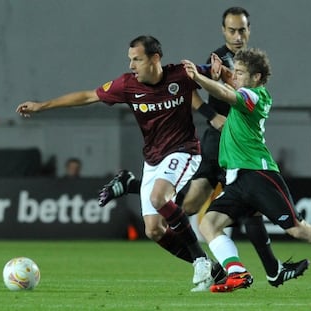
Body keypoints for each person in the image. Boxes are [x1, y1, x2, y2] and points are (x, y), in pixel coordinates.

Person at [99, 7, 309, 289]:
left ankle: (273, 270)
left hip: (238, 144)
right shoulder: (219, 59)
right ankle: (137, 186)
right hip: (217, 139)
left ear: (249, 30)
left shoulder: (248, 61)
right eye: (232, 30)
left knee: (239, 207)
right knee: (192, 203)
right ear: (224, 31)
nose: (237, 35)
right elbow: (189, 91)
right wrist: (213, 116)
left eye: (242, 30)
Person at [16, 35, 226, 291]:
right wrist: (42, 106)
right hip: (153, 158)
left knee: (160, 198)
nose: (131, 65)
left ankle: (202, 261)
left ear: (155, 58)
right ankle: (212, 269)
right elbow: (86, 96)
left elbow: (213, 72)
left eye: (137, 59)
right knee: (154, 231)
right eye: (130, 60)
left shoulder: (181, 74)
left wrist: (220, 71)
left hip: (185, 151)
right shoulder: (127, 85)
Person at [181, 48, 311, 294]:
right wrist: (223, 72)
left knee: (297, 229)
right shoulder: (246, 89)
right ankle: (237, 272)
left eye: (242, 73)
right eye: (236, 72)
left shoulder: (255, 96)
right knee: (209, 224)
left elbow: (226, 92)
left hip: (258, 175)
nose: (237, 76)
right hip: (236, 179)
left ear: (256, 77)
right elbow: (230, 83)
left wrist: (199, 79)